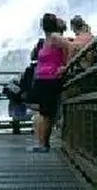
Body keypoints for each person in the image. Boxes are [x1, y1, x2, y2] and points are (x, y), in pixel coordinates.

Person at [28, 12, 75, 152]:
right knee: (45, 112)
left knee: (46, 113)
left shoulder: (55, 37)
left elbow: (70, 47)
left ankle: (43, 144)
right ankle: (42, 143)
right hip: (43, 79)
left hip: (50, 78)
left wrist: (66, 66)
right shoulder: (47, 39)